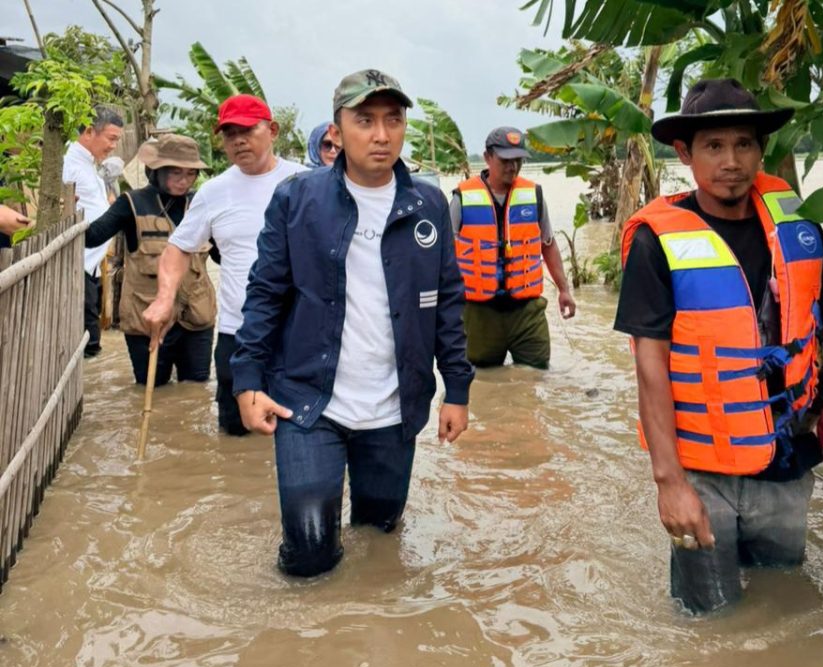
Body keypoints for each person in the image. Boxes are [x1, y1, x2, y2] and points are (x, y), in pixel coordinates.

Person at [614, 78, 823, 613]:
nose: (731, 161)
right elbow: (649, 367)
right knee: (709, 618)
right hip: (701, 471)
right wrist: (669, 483)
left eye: (743, 144)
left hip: (784, 465)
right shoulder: (657, 242)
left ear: (760, 150)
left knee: (784, 606)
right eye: (714, 146)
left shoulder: (798, 230)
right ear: (685, 153)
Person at [230, 69, 473, 578]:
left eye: (393, 120)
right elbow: (266, 293)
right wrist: (247, 379)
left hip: (393, 406)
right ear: (337, 131)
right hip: (307, 401)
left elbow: (447, 300)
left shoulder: (427, 203)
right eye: (365, 120)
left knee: (379, 542)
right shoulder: (298, 200)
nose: (381, 135)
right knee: (309, 556)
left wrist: (457, 389)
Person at [142, 94, 305, 435]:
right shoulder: (214, 191)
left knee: (300, 433)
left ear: (272, 130)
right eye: (229, 133)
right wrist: (164, 298)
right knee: (235, 439)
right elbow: (178, 248)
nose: (238, 140)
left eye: (247, 130)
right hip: (239, 333)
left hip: (299, 333)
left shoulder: (307, 184)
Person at [85, 133, 216, 385]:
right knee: (152, 389)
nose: (184, 181)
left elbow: (223, 255)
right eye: (175, 173)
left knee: (196, 391)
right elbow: (93, 236)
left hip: (196, 317)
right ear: (156, 171)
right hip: (146, 318)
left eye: (190, 174)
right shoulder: (131, 204)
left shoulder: (202, 203)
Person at [449, 127, 575, 369]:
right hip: (479, 314)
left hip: (527, 313)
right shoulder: (461, 199)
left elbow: (547, 245)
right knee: (480, 383)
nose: (512, 166)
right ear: (487, 157)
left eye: (518, 160)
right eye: (506, 160)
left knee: (536, 376)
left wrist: (564, 290)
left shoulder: (534, 195)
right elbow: (443, 254)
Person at [63, 106, 124, 357]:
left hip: (90, 265)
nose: (113, 146)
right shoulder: (70, 166)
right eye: (111, 139)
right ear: (89, 131)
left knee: (90, 332)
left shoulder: (88, 165)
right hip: (77, 264)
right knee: (87, 341)